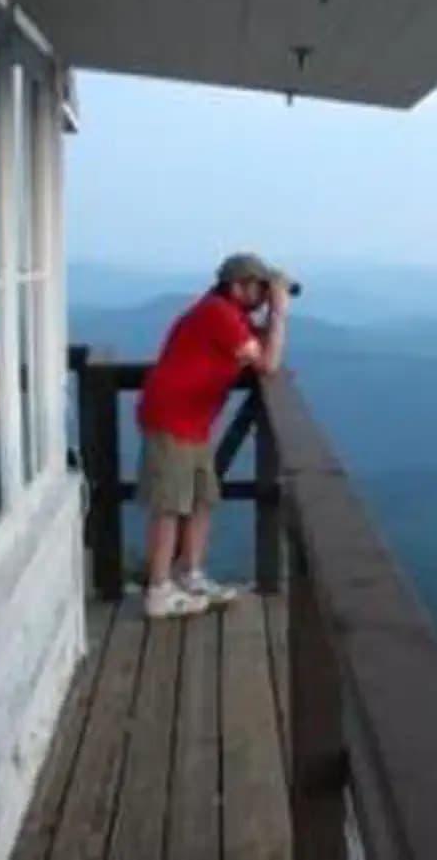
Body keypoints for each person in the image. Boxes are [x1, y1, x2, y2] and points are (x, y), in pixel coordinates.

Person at [136, 252, 290, 619]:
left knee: (202, 499)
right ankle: (159, 591)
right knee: (170, 503)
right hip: (171, 418)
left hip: (194, 421)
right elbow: (268, 363)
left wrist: (273, 313)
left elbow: (267, 348)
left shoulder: (230, 315)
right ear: (238, 287)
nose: (264, 294)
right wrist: (280, 311)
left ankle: (190, 576)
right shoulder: (217, 314)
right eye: (259, 287)